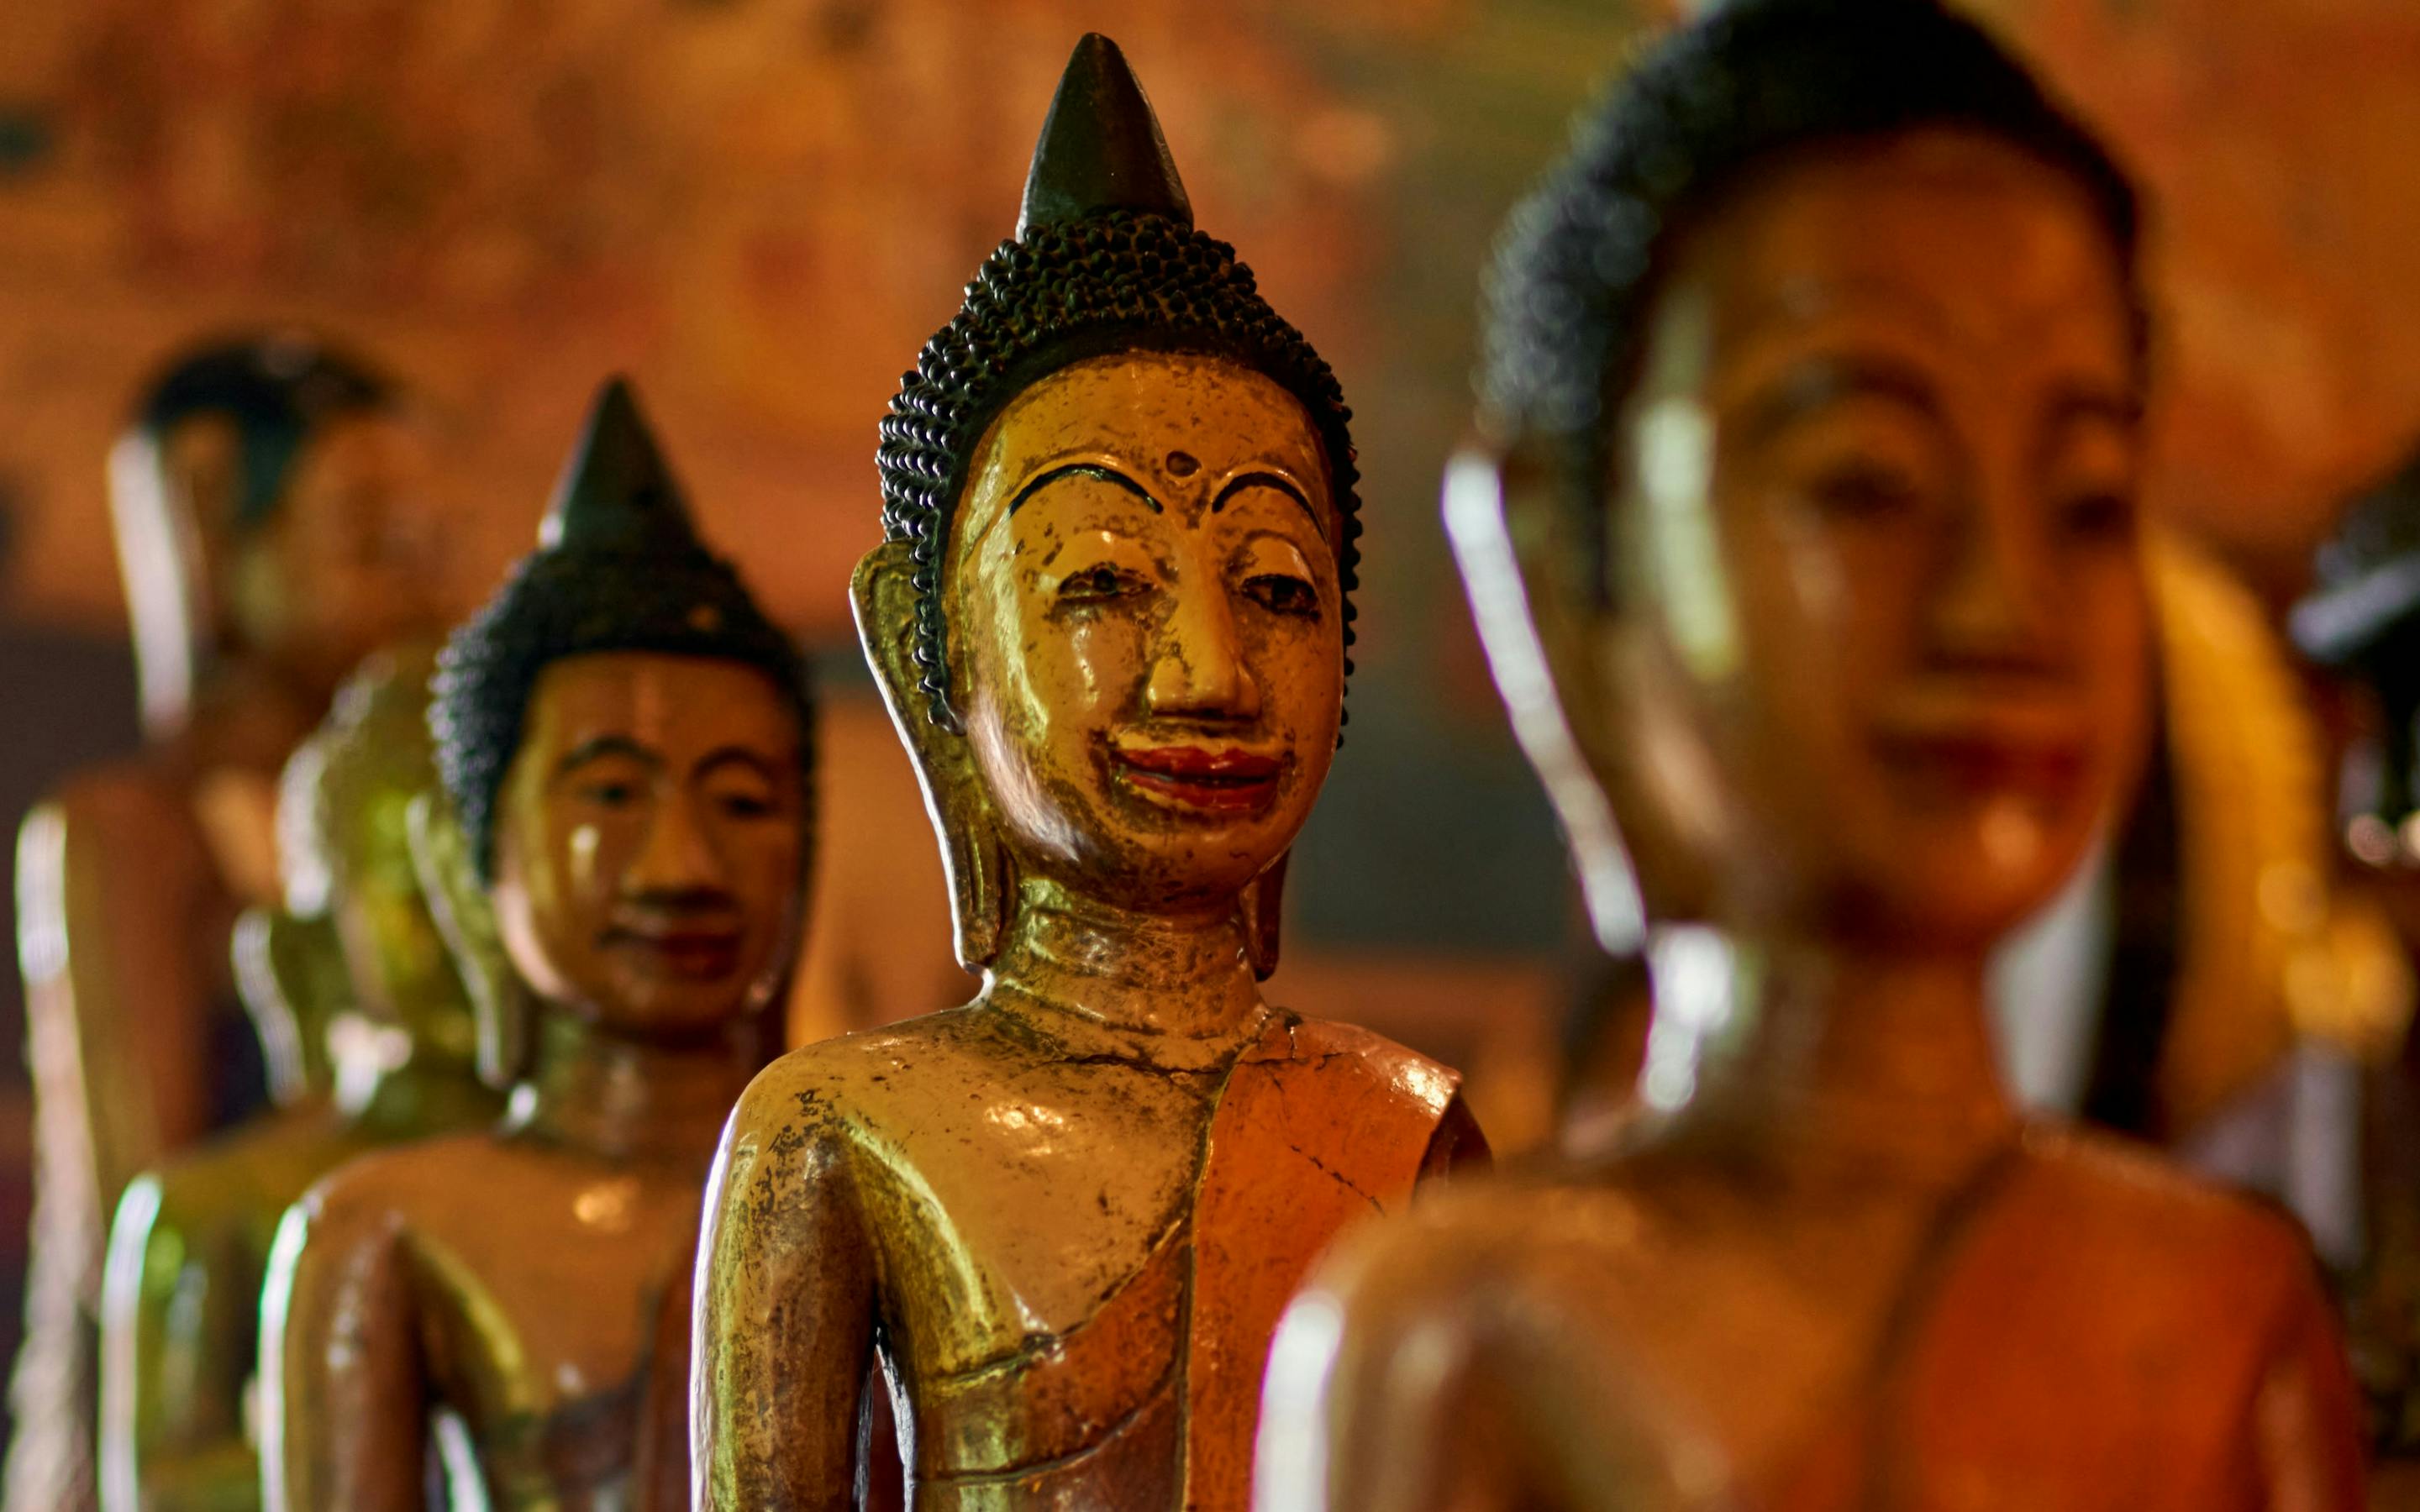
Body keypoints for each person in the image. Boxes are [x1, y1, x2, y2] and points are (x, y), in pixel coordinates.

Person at [1259, 3, 2365, 1507]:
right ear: (1565, 562)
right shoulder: (1464, 1328)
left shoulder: (2223, 1308)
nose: (2005, 607)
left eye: (2089, 501)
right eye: (1865, 483)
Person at [691, 36, 1486, 1510]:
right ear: (930, 653)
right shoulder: (837, 1131)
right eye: (1103, 583)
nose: (1208, 672)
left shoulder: (1401, 1123)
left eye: (1278, 588)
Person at [258, 378, 813, 1510]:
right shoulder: (386, 1230)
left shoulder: (859, 1190)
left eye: (745, 801)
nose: (684, 868)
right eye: (611, 794)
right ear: (476, 862)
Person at [10, 333, 440, 1512]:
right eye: (368, 530)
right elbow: (138, 1233)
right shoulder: (129, 834)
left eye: (427, 538)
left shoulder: (402, 838)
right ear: (208, 520)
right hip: (174, 1445)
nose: (422, 576)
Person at [97, 644, 502, 1512]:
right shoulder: (217, 1209)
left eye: (481, 886)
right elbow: (162, 1486)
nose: (461, 935)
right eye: (411, 898)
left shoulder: (579, 1188)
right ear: (310, 950)